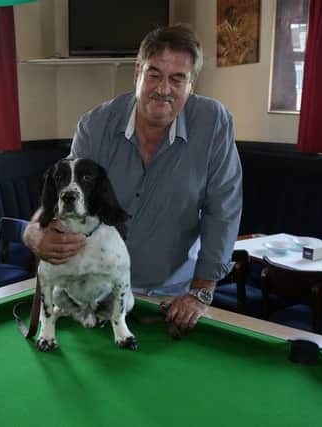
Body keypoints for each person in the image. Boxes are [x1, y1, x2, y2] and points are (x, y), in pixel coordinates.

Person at [23, 24, 242, 335]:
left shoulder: (214, 123)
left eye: (177, 79)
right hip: (95, 294)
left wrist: (201, 292)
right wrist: (34, 233)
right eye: (154, 74)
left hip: (170, 301)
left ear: (191, 85)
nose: (164, 89)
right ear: (137, 72)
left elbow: (223, 211)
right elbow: (63, 201)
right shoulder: (95, 124)